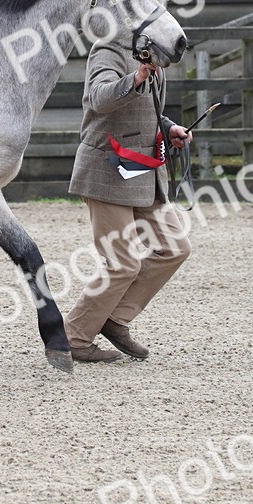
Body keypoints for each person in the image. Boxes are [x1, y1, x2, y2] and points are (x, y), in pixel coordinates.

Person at [64, 26, 193, 363]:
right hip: (106, 170)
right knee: (122, 263)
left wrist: (169, 129)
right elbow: (99, 98)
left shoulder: (154, 56)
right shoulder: (107, 51)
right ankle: (74, 338)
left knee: (175, 248)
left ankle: (114, 319)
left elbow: (147, 113)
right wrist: (135, 78)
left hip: (143, 170)